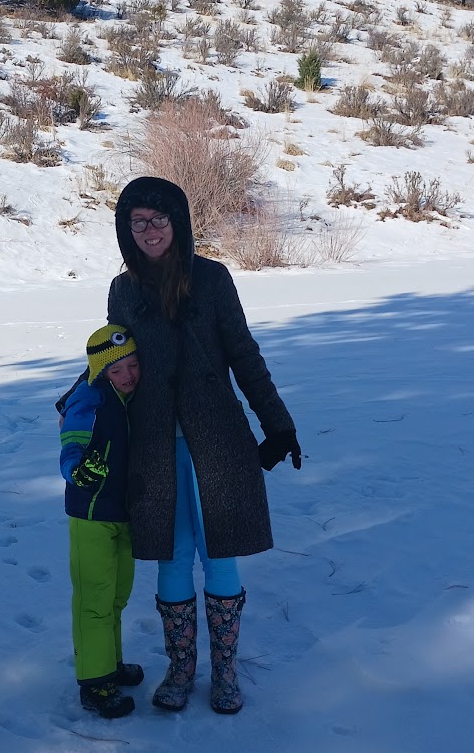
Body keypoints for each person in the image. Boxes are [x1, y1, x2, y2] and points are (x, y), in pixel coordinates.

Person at [107, 177, 301, 714]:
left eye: (159, 219)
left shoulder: (212, 279)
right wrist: (89, 426)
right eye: (138, 222)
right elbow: (116, 371)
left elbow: (243, 352)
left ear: (179, 222)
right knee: (171, 560)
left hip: (218, 444)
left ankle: (225, 672)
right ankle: (180, 668)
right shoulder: (123, 292)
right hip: (155, 449)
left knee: (220, 557)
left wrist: (278, 425)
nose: (150, 231)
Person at [59, 324, 145, 720]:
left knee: (116, 597)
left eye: (132, 364)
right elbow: (71, 439)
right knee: (93, 600)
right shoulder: (89, 398)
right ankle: (94, 683)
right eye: (117, 370)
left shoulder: (131, 398)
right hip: (90, 514)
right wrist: (77, 470)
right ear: (99, 371)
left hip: (122, 513)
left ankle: (109, 664)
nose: (127, 375)